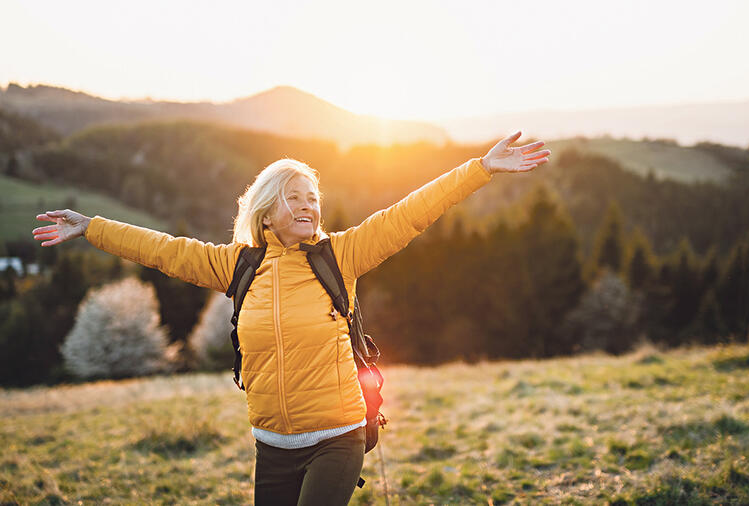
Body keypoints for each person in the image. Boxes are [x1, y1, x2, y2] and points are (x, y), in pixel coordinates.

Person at [33, 131, 550, 505]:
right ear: (265, 211)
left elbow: (411, 212)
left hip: (338, 437)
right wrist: (92, 227)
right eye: (294, 197)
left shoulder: (340, 256)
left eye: (313, 198)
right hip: (271, 445)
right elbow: (164, 250)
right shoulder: (238, 266)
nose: (308, 206)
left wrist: (480, 168)